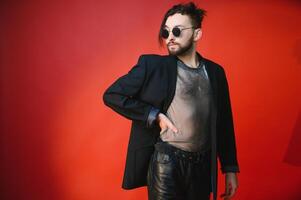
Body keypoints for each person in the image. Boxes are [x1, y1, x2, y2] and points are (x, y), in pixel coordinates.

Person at [103, 2, 240, 200]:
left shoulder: (216, 73)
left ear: (196, 34)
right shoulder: (153, 66)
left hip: (203, 168)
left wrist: (230, 169)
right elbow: (112, 95)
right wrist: (154, 115)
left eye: (177, 31)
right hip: (167, 163)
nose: (170, 38)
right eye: (166, 32)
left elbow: (224, 122)